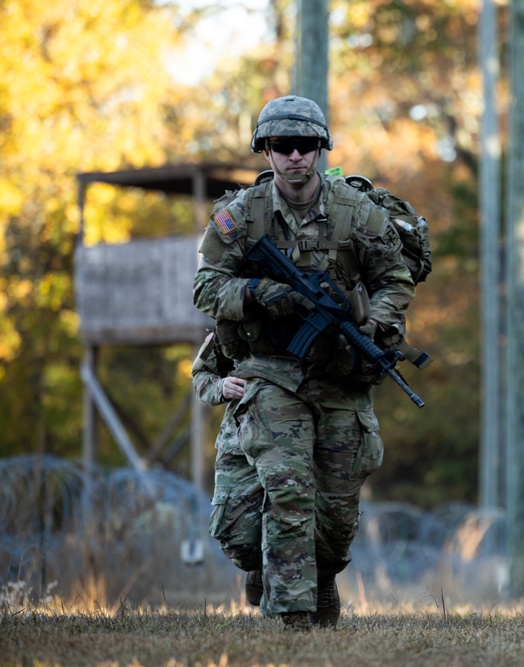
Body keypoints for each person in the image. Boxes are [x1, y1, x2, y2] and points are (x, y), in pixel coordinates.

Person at [193, 95, 415, 629]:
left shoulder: (358, 213)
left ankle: (319, 579)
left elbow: (396, 281)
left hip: (339, 374)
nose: (296, 156)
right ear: (266, 151)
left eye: (306, 146)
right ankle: (294, 624)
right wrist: (257, 293)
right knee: (287, 495)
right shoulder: (240, 216)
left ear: (321, 149)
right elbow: (206, 288)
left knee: (335, 521)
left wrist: (370, 323)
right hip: (271, 371)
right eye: (283, 147)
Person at [191, 333, 263, 606]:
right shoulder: (235, 319)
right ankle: (259, 565)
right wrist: (220, 387)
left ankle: (317, 580)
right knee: (238, 538)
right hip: (241, 441)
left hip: (299, 440)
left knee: (298, 516)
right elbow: (200, 374)